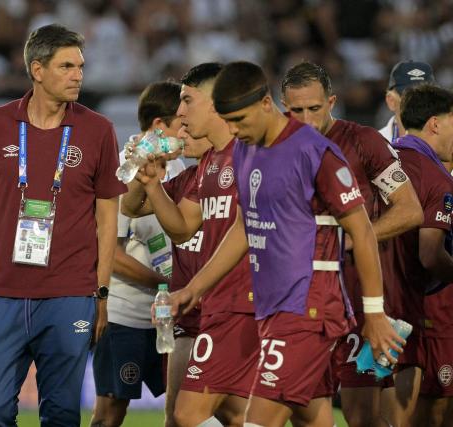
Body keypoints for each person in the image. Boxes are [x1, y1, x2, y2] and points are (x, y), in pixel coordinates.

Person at [170, 60, 402, 427]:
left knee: (257, 420)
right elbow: (246, 225)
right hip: (271, 307)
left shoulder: (315, 152)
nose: (233, 130)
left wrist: (374, 314)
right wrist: (194, 288)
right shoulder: (246, 148)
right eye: (228, 121)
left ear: (266, 104)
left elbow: (362, 232)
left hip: (308, 309)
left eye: (240, 120)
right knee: (312, 418)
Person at [0, 24, 126, 427]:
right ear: (37, 70)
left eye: (80, 67)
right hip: (0, 291)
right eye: (67, 66)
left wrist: (102, 291)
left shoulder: (97, 130)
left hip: (69, 292)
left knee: (60, 414)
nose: (78, 75)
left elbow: (108, 219)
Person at [280, 61, 423, 426]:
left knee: (363, 417)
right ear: (283, 108)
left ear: (332, 101)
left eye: (315, 108)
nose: (307, 119)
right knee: (302, 410)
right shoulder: (273, 150)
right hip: (298, 304)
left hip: (361, 301)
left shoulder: (364, 141)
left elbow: (409, 210)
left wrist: (350, 239)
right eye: (297, 111)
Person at [122, 62, 258, 427]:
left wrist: (194, 287)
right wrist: (150, 183)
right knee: (226, 413)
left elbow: (248, 233)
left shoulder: (250, 154)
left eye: (187, 101)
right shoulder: (209, 164)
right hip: (210, 305)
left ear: (215, 103)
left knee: (188, 414)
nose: (179, 114)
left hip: (246, 305)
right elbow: (182, 228)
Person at [90, 81, 185, 427]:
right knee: (110, 413)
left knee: (180, 409)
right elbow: (110, 255)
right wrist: (167, 283)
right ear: (160, 126)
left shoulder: (184, 171)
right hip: (125, 314)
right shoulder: (123, 170)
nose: (187, 132)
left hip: (172, 316)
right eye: (182, 123)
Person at [121, 126, 212, 427]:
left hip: (225, 311)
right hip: (186, 316)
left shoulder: (234, 174)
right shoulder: (185, 179)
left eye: (190, 128)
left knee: (229, 414)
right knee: (176, 417)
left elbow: (182, 228)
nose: (183, 134)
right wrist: (145, 180)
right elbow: (131, 206)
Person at [385, 84, 453, 426]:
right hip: (405, 311)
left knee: (365, 412)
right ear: (436, 123)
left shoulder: (377, 158)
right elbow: (430, 255)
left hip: (365, 304)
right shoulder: (436, 177)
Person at [380, 60, 435, 144]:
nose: (421, 102)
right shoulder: (371, 147)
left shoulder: (448, 145)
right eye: (410, 97)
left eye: (427, 96)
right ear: (391, 101)